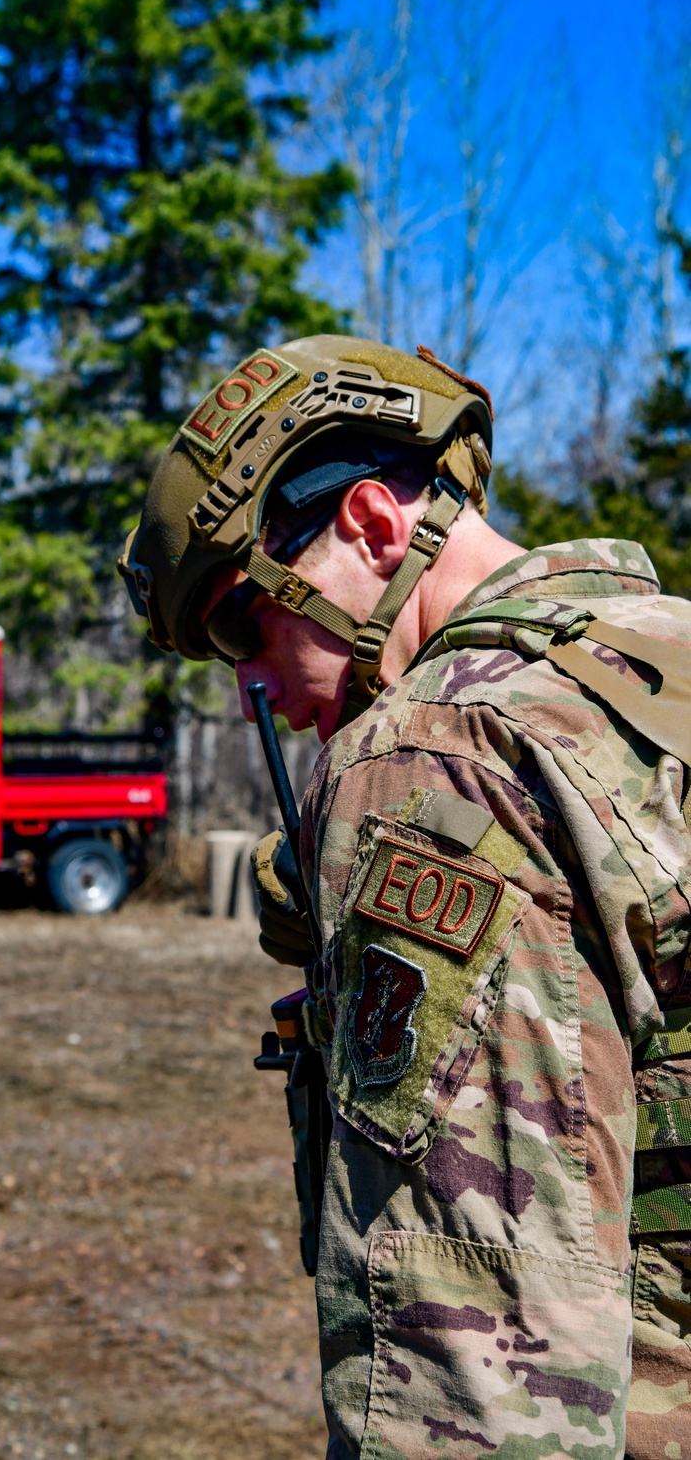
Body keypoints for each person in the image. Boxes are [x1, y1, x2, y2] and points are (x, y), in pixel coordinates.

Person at [119, 334, 691, 1460]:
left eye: (244, 617)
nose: (250, 677)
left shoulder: (435, 758)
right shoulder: (657, 662)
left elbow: (479, 1340)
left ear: (374, 526)